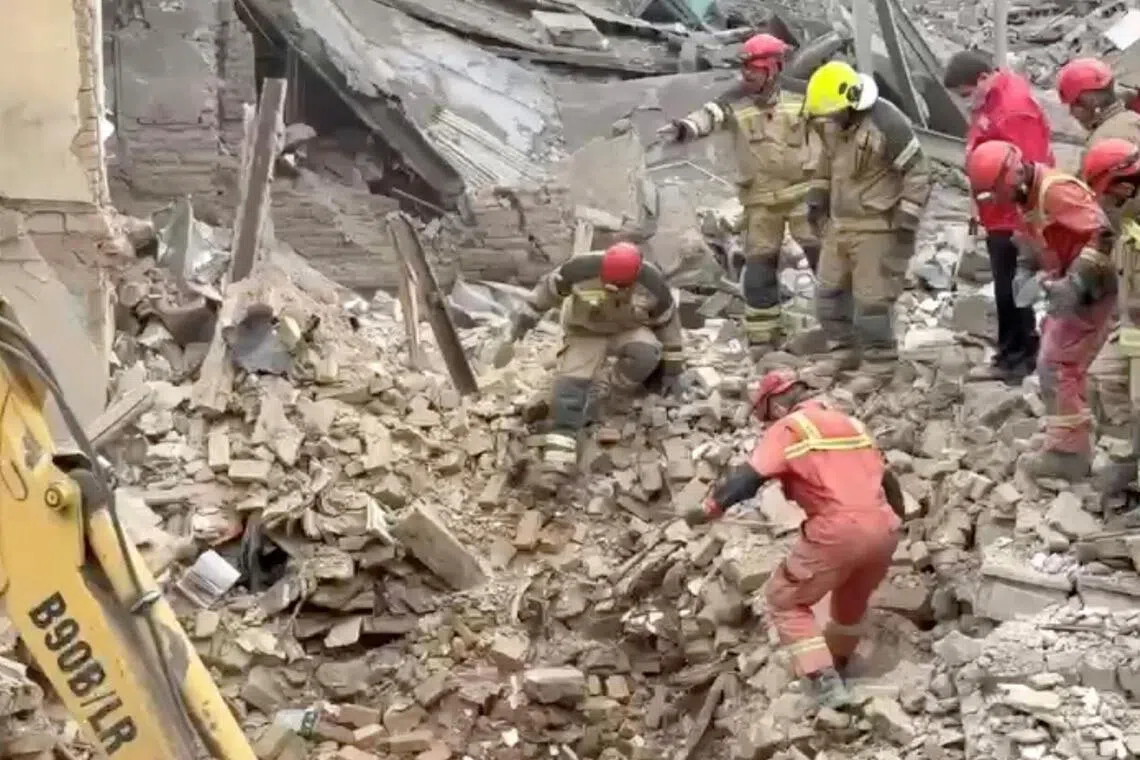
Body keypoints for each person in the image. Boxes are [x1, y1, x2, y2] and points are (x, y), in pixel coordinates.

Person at [681, 369, 904, 709]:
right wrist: (897, 521)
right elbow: (888, 480)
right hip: (883, 528)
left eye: (765, 414)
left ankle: (823, 684)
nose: (765, 422)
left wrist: (710, 508)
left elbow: (747, 478)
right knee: (849, 604)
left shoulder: (790, 427)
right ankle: (840, 667)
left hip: (838, 529)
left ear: (777, 402)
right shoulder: (851, 423)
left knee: (784, 599)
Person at [966, 141, 1115, 482]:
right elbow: (1035, 237)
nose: (996, 201)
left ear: (1012, 176)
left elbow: (1103, 234)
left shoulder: (1055, 192)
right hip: (1078, 285)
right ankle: (1077, 434)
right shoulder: (1029, 195)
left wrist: (1075, 283)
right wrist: (1025, 266)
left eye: (995, 193)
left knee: (1057, 364)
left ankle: (1070, 453)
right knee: (1066, 362)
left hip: (1095, 286)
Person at [658, 33, 817, 351]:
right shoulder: (735, 101)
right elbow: (708, 116)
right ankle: (762, 338)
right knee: (759, 267)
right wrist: (682, 129)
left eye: (754, 69)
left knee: (823, 261)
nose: (746, 75)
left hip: (802, 197)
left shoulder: (802, 100)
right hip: (760, 203)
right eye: (744, 68)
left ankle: (839, 326)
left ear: (773, 68)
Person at [512, 242, 684, 494]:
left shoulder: (653, 284)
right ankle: (559, 457)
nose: (613, 289)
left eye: (621, 287)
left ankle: (610, 388)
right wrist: (526, 316)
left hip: (626, 329)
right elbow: (546, 291)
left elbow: (669, 326)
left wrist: (673, 369)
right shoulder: (578, 269)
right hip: (585, 331)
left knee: (648, 352)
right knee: (570, 387)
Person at [801, 60, 932, 378]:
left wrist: (907, 218)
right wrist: (817, 197)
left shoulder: (887, 123)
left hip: (878, 226)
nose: (828, 121)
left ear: (850, 103)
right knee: (828, 296)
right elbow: (826, 164)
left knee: (871, 304)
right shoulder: (833, 124)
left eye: (832, 114)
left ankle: (880, 363)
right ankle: (843, 352)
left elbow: (919, 171)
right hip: (840, 225)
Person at [943, 50, 1052, 383]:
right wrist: (977, 204)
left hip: (1013, 213)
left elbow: (1029, 169)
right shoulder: (990, 100)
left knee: (1011, 287)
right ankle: (1022, 349)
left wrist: (1023, 220)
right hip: (996, 208)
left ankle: (1014, 358)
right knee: (1009, 285)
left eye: (965, 94)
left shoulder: (1013, 108)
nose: (965, 102)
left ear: (981, 79)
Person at [1081, 138, 1140, 500]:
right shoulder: (1129, 215)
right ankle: (1127, 460)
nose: (1104, 203)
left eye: (1107, 194)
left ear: (1124, 186)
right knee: (1101, 380)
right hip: (1132, 328)